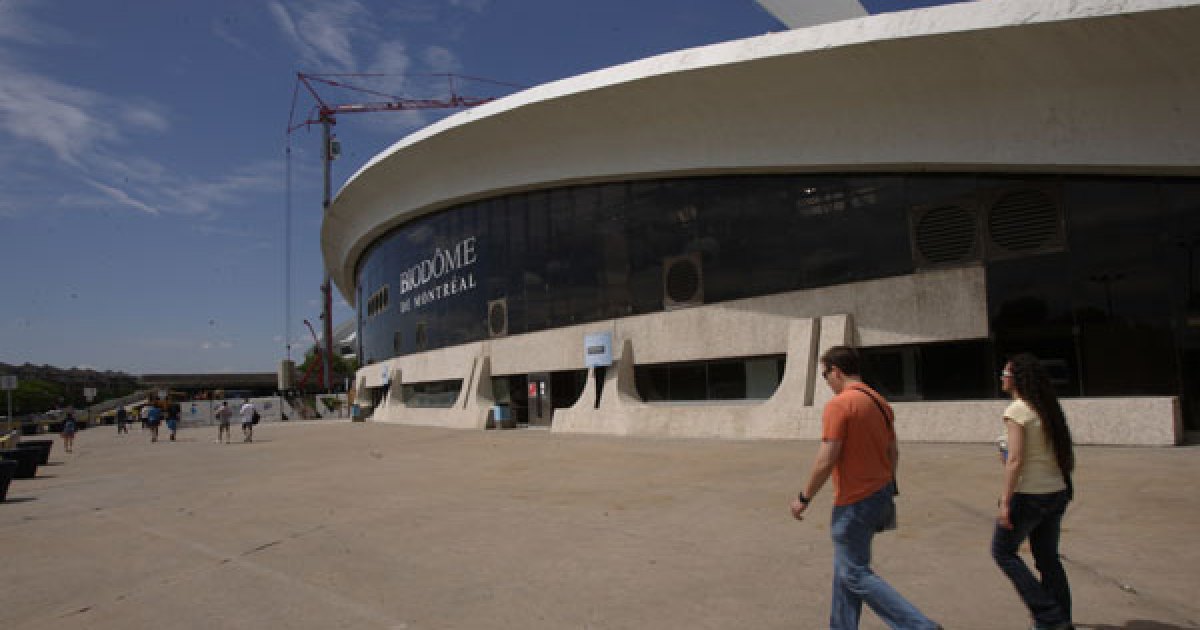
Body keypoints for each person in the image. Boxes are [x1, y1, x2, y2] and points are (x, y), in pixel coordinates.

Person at [790, 345, 940, 630]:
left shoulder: (840, 404)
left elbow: (827, 458)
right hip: (880, 494)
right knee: (845, 569)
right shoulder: (879, 402)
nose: (827, 382)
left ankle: (919, 626)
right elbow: (893, 451)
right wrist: (884, 485)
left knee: (854, 573)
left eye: (825, 375)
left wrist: (804, 497)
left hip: (854, 501)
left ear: (836, 371)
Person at [993, 353, 1076, 630]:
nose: (1001, 378)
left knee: (1003, 551)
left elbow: (1014, 460)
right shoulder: (1045, 408)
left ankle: (1049, 616)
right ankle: (1061, 619)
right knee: (1047, 558)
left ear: (1016, 379)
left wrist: (1005, 502)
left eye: (1005, 374)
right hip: (1056, 492)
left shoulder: (1017, 411)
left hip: (1030, 494)